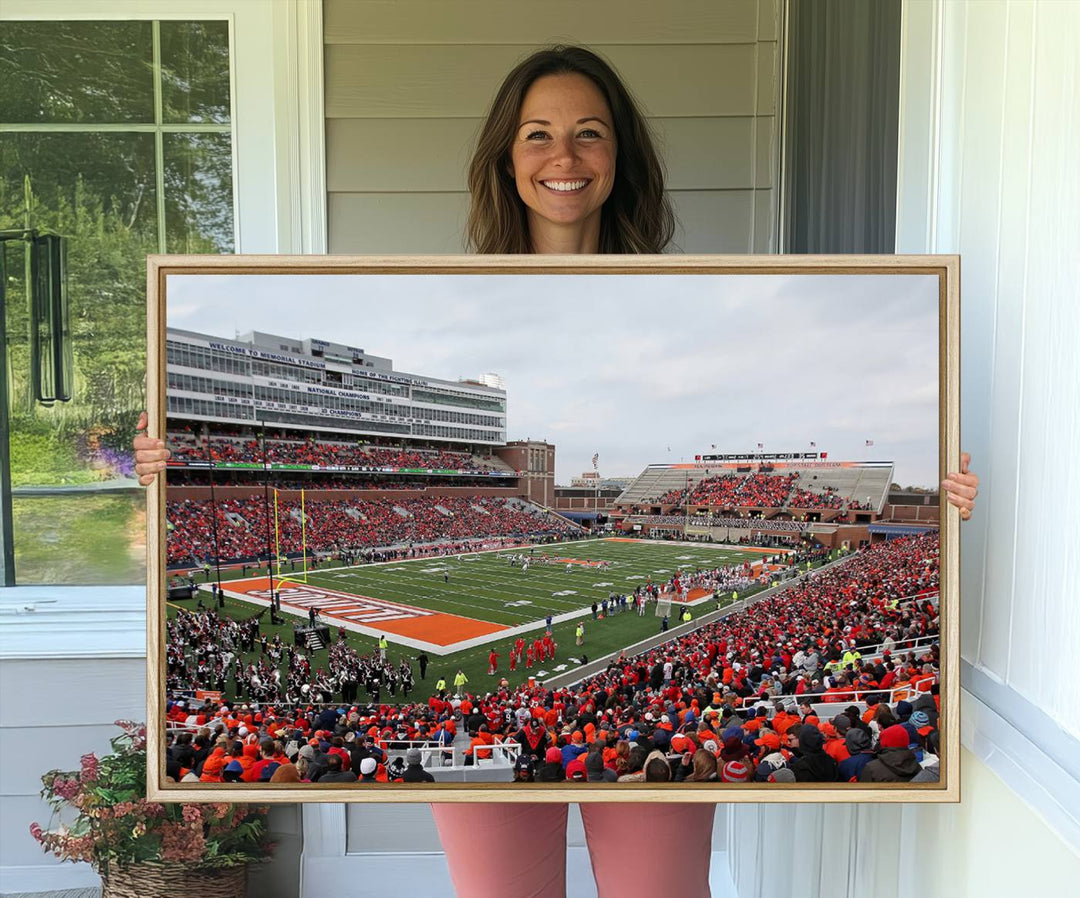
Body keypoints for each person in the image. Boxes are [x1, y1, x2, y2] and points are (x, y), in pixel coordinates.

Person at [135, 43, 980, 898]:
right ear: (507, 158)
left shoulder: (688, 292)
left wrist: (946, 504)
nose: (563, 157)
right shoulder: (446, 292)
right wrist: (158, 466)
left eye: (589, 134)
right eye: (537, 134)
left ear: (621, 157)